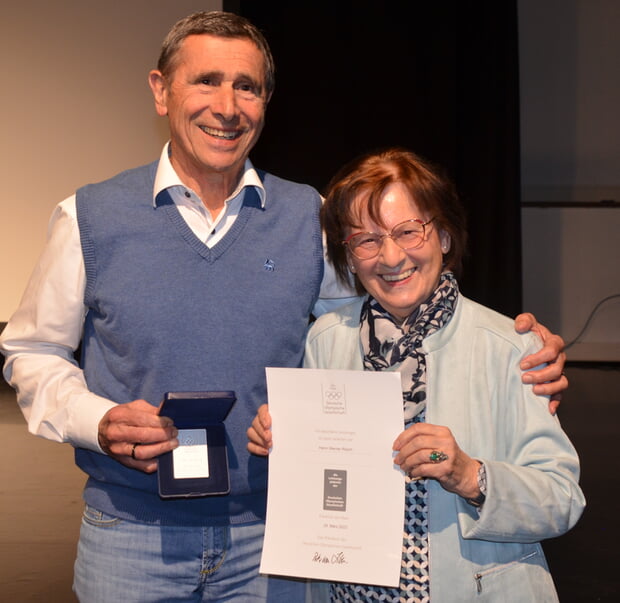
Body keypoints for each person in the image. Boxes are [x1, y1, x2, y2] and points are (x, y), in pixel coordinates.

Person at [0, 10, 565, 603]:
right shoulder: (88, 218)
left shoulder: (308, 219)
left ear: (266, 101)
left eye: (247, 87)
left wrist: (522, 350)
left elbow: (391, 316)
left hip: (277, 538)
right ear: (161, 91)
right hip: (131, 537)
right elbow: (33, 352)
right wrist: (98, 421)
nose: (227, 105)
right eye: (206, 81)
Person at [248, 148, 585, 602]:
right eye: (366, 240)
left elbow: (563, 498)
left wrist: (471, 475)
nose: (390, 256)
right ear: (348, 257)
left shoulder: (511, 347)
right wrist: (281, 442)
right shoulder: (326, 340)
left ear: (444, 236)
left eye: (408, 231)